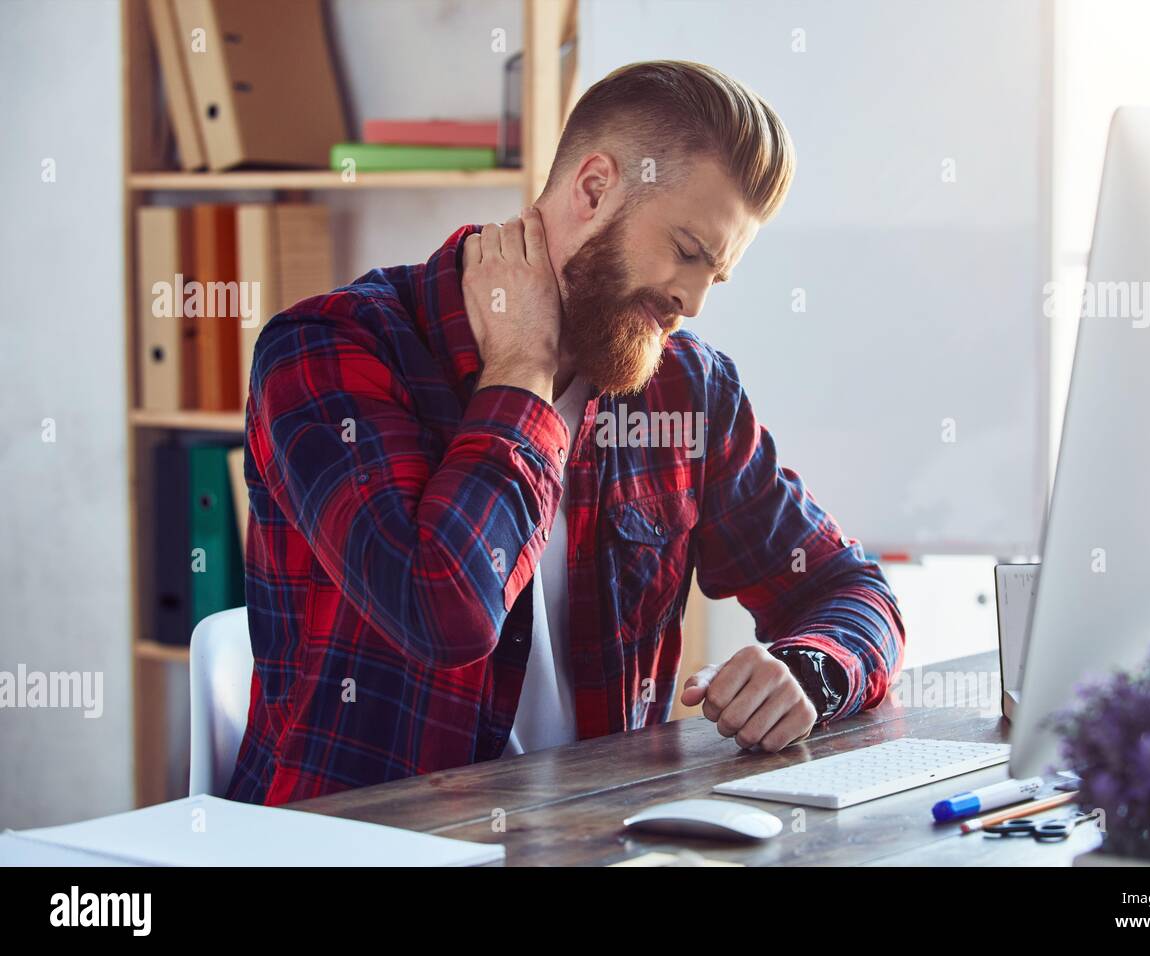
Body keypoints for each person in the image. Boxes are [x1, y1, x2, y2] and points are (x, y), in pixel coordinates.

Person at [227, 60, 904, 805]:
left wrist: (811, 670)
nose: (693, 300)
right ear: (593, 188)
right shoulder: (329, 348)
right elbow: (440, 610)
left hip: (599, 835)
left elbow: (848, 584)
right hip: (358, 841)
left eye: (717, 275)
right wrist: (521, 369)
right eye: (687, 250)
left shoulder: (688, 390)